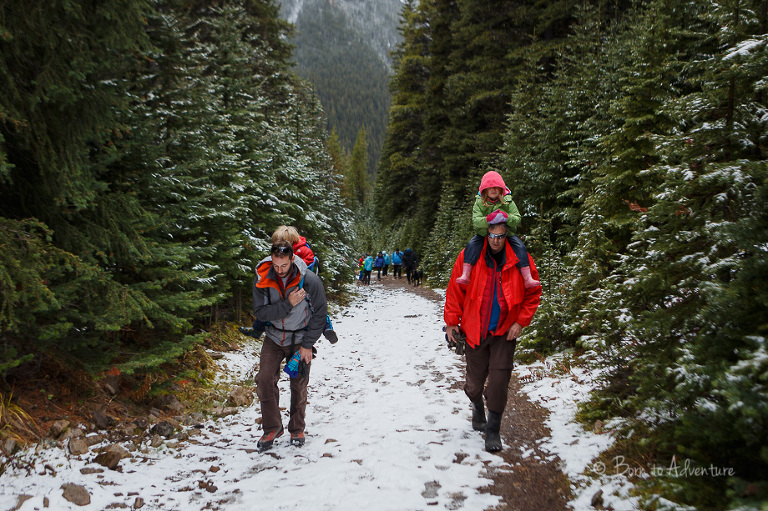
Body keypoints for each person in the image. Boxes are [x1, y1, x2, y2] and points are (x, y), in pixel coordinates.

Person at [444, 218, 542, 452]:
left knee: (499, 382)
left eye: (500, 236)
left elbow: (533, 292)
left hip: (504, 332)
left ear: (507, 234)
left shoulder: (521, 259)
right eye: (492, 235)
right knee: (474, 385)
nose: (496, 241)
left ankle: (493, 430)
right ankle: (477, 405)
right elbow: (455, 290)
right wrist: (451, 323)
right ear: (485, 234)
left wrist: (520, 321)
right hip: (475, 330)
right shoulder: (470, 256)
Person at [252, 240, 329, 451]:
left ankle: (297, 427)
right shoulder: (263, 278)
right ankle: (272, 428)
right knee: (265, 380)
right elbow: (260, 313)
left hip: (300, 338)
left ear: (292, 259)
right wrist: (288, 304)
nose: (280, 270)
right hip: (274, 337)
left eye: (284, 266)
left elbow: (320, 314)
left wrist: (307, 345)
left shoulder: (309, 280)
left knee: (299, 382)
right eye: (276, 266)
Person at [240, 226, 337, 344]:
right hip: (287, 282)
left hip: (301, 282)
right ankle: (258, 328)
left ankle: (327, 328)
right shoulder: (283, 251)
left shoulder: (300, 250)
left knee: (316, 305)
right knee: (270, 301)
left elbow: (306, 264)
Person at [455, 171, 539, 289]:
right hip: (484, 233)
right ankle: (466, 273)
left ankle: (527, 277)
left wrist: (507, 217)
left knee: (520, 247)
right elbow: (476, 221)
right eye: (490, 187)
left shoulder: (508, 201)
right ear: (485, 189)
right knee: (471, 245)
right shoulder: (479, 203)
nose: (493, 190)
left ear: (501, 189)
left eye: (496, 187)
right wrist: (488, 219)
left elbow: (517, 219)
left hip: (507, 234)